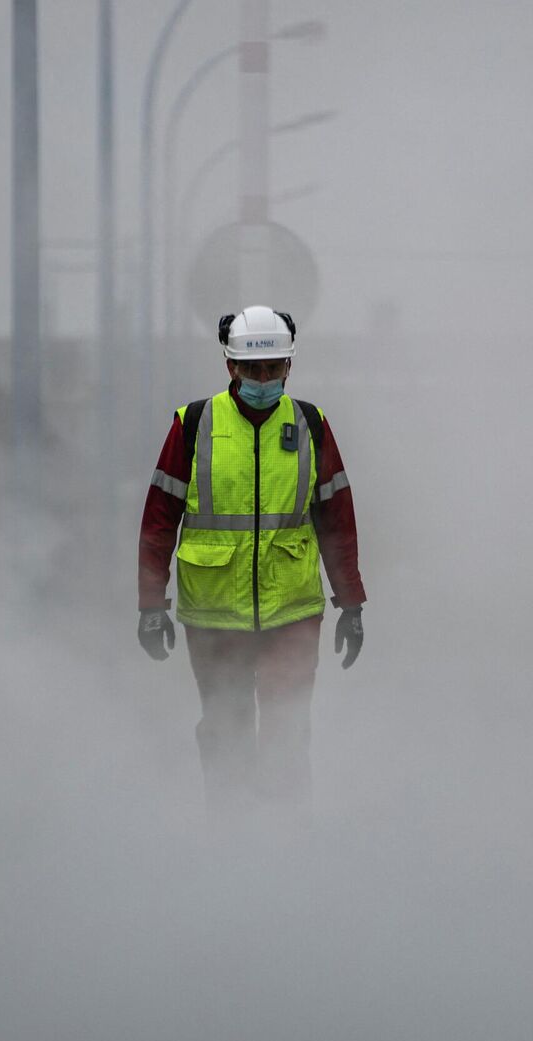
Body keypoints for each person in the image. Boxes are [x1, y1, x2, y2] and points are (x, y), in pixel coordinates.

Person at [136, 304, 366, 820]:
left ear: (289, 365)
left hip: (292, 613)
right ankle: (230, 841)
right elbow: (158, 520)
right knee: (225, 729)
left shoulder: (311, 425)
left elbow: (337, 519)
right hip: (214, 614)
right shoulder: (193, 425)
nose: (263, 379)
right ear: (230, 366)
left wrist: (351, 603)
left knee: (287, 732)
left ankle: (284, 848)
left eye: (274, 367)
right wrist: (151, 605)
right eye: (252, 368)